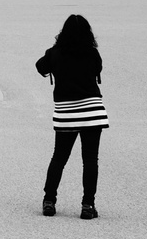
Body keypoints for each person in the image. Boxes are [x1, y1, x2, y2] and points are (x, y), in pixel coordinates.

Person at [36, 14, 109, 219]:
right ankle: (88, 205)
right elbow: (98, 70)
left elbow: (40, 67)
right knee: (90, 160)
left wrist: (53, 53)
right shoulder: (92, 53)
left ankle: (49, 200)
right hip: (92, 111)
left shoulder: (55, 53)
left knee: (59, 157)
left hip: (66, 111)